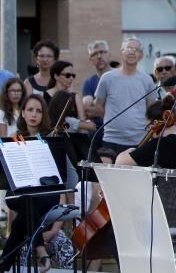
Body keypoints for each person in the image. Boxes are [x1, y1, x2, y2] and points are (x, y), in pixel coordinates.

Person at [117, 85, 176, 269]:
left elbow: (121, 162)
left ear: (156, 123)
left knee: (120, 227)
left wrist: (132, 150)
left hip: (168, 218)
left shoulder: (163, 144)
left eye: (148, 126)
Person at [0, 95, 74, 272]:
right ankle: (41, 251)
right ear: (23, 113)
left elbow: (64, 179)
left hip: (46, 193)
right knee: (26, 199)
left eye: (38, 110)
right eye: (30, 110)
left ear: (43, 115)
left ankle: (4, 263)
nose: (34, 114)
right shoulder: (15, 138)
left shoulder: (50, 139)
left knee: (28, 205)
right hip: (20, 191)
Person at [93, 37, 158, 157]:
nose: (132, 52)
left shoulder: (147, 80)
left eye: (136, 49)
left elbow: (151, 110)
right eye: (128, 48)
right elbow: (98, 107)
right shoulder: (107, 78)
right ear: (121, 52)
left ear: (141, 56)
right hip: (111, 139)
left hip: (139, 140)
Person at [82, 40, 112, 141]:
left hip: (117, 135)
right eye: (94, 54)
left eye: (102, 52)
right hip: (96, 136)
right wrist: (107, 104)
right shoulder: (88, 83)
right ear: (90, 59)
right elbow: (87, 112)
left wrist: (97, 104)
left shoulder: (119, 77)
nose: (99, 56)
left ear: (109, 55)